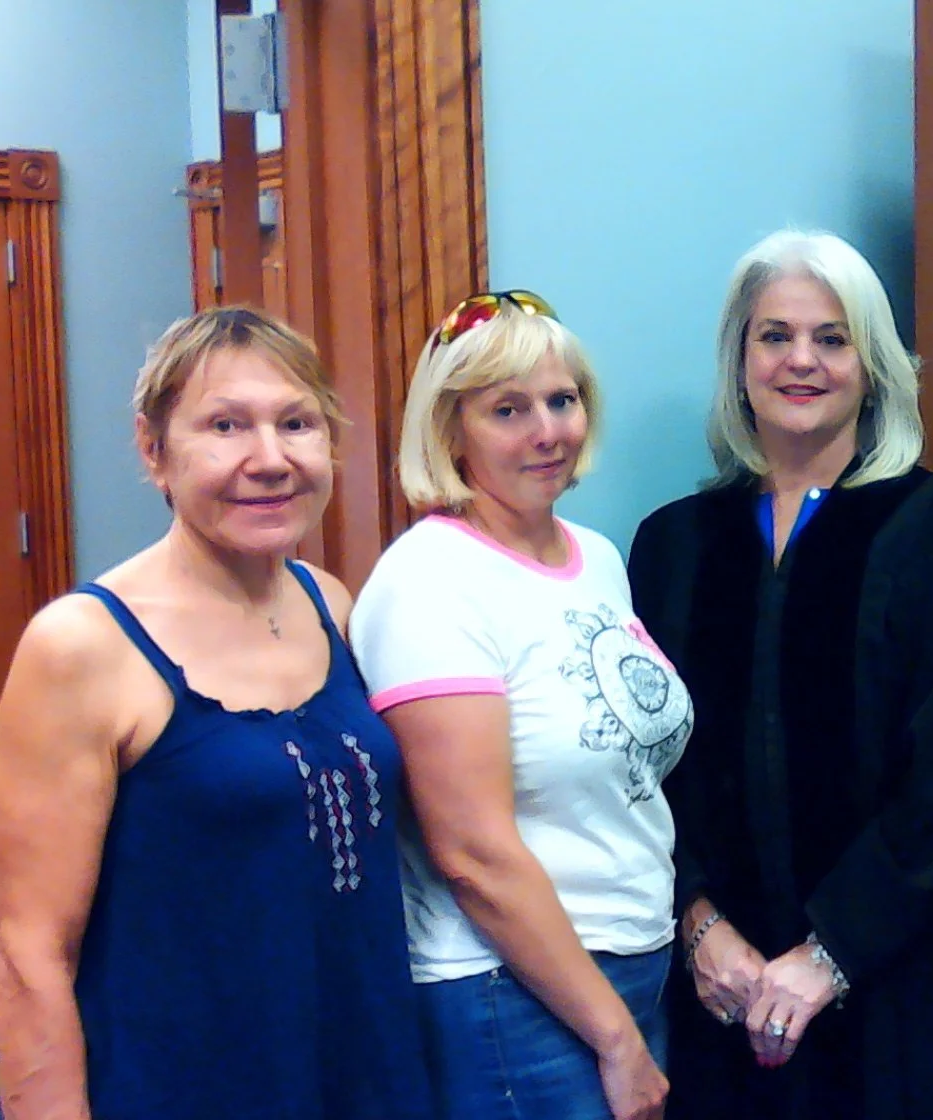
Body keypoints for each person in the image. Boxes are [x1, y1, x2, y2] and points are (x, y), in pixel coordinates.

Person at [0, 307, 432, 1120]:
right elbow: (28, 955)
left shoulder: (326, 601)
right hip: (182, 1085)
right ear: (155, 451)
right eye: (225, 426)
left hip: (358, 1067)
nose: (269, 459)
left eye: (296, 423)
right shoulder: (81, 647)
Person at [627, 230, 933, 1120]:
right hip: (719, 986)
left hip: (898, 979)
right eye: (774, 336)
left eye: (832, 338)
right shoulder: (675, 545)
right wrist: (699, 925)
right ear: (739, 360)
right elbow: (639, 764)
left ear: (873, 365)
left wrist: (832, 951)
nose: (801, 361)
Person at [348, 291, 689, 1120]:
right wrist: (614, 1037)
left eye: (561, 400)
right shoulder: (430, 582)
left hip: (629, 962)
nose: (547, 431)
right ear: (450, 429)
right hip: (512, 992)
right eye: (508, 409)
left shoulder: (596, 557)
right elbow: (472, 853)